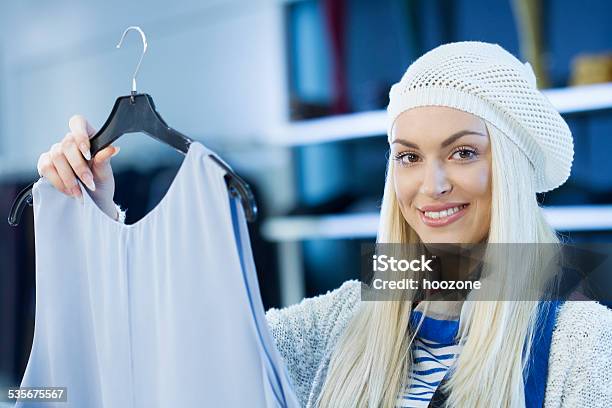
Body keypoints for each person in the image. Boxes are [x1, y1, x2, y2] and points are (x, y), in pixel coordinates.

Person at [38, 41, 612, 407]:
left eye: (463, 153)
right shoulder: (343, 322)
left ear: (510, 170)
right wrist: (96, 219)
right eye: (408, 157)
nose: (431, 185)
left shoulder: (583, 345)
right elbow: (156, 360)